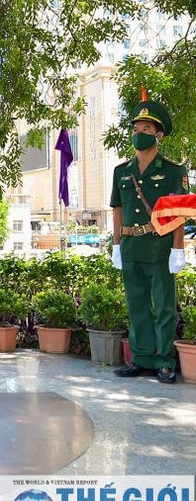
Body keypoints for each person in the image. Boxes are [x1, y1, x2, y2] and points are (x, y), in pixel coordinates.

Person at [110, 100, 187, 384]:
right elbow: (117, 209)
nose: (138, 133)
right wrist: (116, 243)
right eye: (136, 128)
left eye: (146, 128)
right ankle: (141, 359)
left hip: (160, 246)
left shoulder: (172, 171)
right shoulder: (121, 171)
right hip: (131, 246)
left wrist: (178, 249)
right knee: (137, 305)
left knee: (164, 306)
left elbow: (179, 213)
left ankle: (164, 361)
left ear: (159, 135)